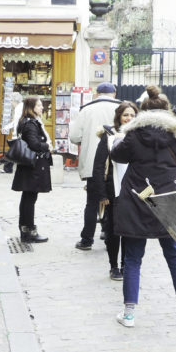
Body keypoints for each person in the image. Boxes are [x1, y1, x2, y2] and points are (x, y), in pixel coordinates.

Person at [109, 85, 176, 327]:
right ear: (167, 111)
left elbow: (117, 155)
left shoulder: (135, 135)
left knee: (133, 258)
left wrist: (119, 140)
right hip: (169, 202)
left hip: (139, 200)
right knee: (173, 254)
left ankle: (129, 314)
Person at [89, 101, 139, 280]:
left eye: (132, 115)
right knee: (112, 230)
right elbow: (98, 166)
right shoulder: (109, 137)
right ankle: (113, 266)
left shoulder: (139, 136)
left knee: (129, 231)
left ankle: (127, 264)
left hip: (133, 191)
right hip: (113, 191)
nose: (129, 118)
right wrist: (101, 194)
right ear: (119, 117)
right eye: (126, 115)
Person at [68, 82, 121, 250]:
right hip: (116, 164)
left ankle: (87, 240)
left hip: (92, 164)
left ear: (96, 93)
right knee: (113, 200)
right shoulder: (122, 108)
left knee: (92, 202)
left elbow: (74, 137)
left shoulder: (86, 110)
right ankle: (107, 232)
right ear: (114, 93)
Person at [12, 96, 53, 243]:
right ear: (31, 108)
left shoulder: (29, 122)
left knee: (28, 198)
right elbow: (34, 144)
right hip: (33, 167)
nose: (42, 108)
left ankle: (26, 229)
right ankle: (29, 231)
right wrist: (47, 146)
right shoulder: (30, 124)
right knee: (29, 198)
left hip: (30, 166)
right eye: (39, 105)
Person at [1, 92, 24, 174]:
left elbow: (16, 122)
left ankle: (7, 168)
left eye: (11, 100)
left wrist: (13, 132)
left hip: (19, 133)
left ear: (15, 100)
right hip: (20, 133)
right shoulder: (21, 106)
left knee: (12, 151)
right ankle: (8, 168)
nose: (10, 102)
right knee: (14, 151)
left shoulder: (18, 108)